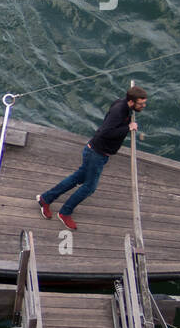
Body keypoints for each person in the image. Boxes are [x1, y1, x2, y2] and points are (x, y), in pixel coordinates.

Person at [37, 86, 148, 231]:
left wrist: (128, 124)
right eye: (141, 104)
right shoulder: (118, 111)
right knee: (89, 187)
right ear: (132, 102)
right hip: (96, 154)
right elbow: (105, 132)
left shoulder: (123, 105)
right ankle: (65, 213)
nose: (143, 106)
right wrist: (128, 127)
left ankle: (45, 199)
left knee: (77, 178)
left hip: (97, 152)